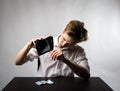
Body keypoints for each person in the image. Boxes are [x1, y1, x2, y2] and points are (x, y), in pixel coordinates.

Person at [14, 20, 90, 79]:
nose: (64, 44)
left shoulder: (79, 50)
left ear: (77, 42)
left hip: (67, 87)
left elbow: (86, 75)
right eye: (64, 39)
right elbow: (17, 62)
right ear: (64, 31)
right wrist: (28, 46)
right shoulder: (45, 43)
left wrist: (66, 61)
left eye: (70, 43)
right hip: (44, 86)